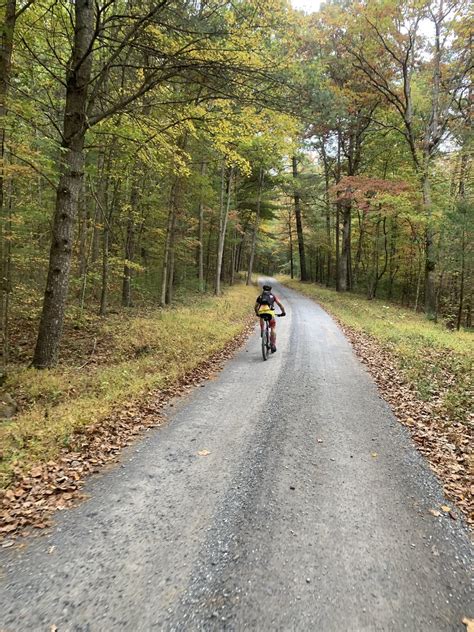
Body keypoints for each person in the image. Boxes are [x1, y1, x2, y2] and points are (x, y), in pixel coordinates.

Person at [255, 284, 286, 353]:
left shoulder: (260, 296)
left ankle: (262, 330)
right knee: (273, 327)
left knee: (261, 316)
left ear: (263, 290)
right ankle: (273, 344)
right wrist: (283, 312)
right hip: (270, 313)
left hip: (261, 312)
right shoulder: (272, 296)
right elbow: (280, 305)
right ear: (270, 290)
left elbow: (255, 307)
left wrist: (257, 313)